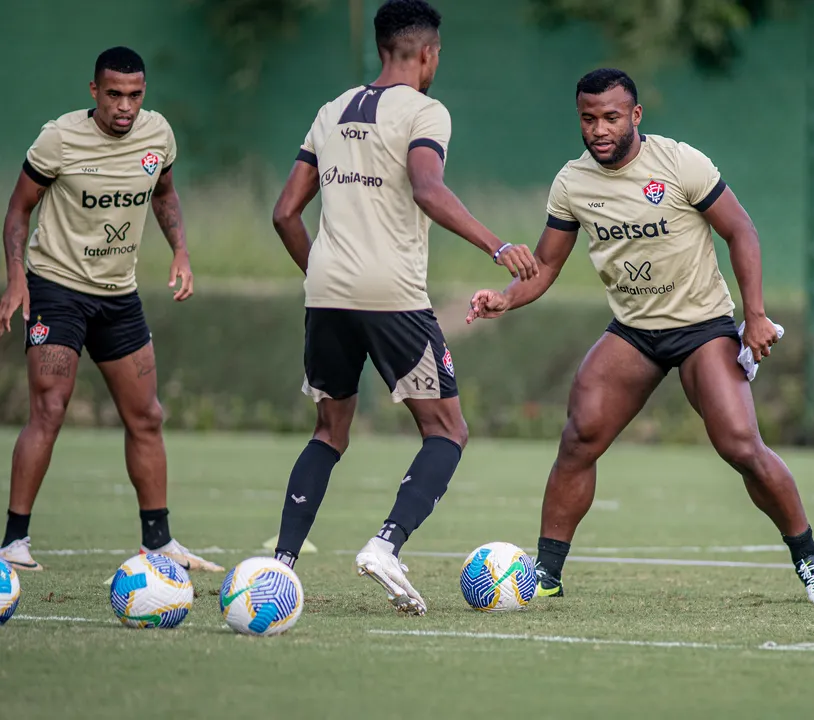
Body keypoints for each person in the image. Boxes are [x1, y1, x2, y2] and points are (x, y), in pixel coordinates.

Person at [466, 68, 814, 606]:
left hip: (702, 328)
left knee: (739, 444)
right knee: (579, 438)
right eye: (588, 118)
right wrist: (506, 297)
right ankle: (545, 574)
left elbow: (741, 231)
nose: (599, 128)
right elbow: (546, 266)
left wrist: (755, 315)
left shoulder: (680, 163)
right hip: (634, 332)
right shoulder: (572, 183)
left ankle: (809, 557)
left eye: (611, 117)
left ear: (635, 116)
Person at [269, 0, 537, 616]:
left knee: (328, 433)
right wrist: (496, 244)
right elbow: (427, 187)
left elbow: (285, 213)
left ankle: (279, 567)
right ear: (427, 53)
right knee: (447, 429)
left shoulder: (331, 110)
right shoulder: (425, 111)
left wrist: (321, 274)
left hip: (326, 296)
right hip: (391, 297)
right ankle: (386, 544)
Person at [0, 46, 222, 573]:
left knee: (146, 415)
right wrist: (15, 281)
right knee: (50, 409)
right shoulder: (59, 139)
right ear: (94, 91)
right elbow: (18, 211)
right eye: (115, 94)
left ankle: (159, 541)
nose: (125, 106)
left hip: (118, 295)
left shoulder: (157, 135)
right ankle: (13, 542)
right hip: (56, 287)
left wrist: (181, 251)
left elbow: (164, 194)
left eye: (135, 95)